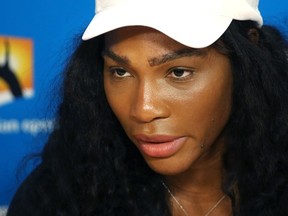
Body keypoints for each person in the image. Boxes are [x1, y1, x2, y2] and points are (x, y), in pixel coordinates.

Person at [6, 0, 288, 215]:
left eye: (178, 72)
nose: (143, 109)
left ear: (248, 60)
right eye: (120, 72)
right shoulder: (58, 196)